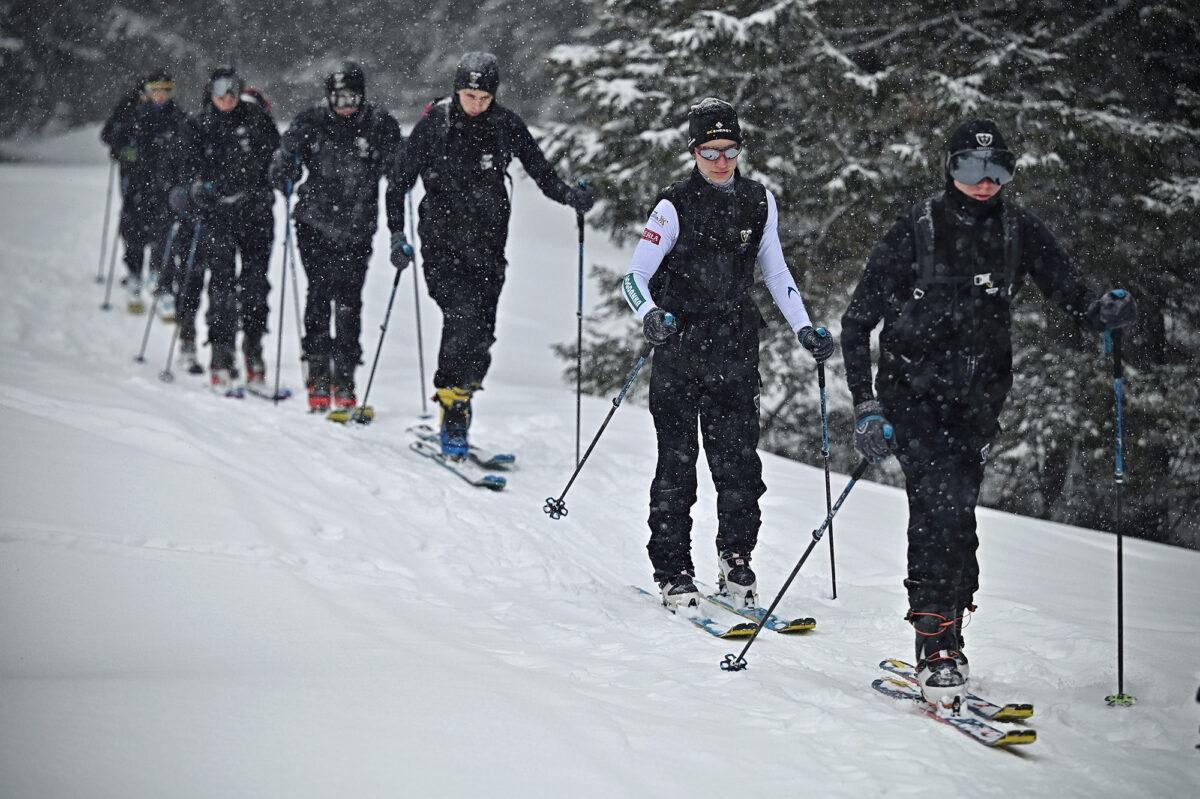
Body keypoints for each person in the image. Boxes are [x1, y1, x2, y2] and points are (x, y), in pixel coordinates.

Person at [840, 118, 1138, 711]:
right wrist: (867, 405)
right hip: (913, 394)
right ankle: (933, 645)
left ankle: (951, 622)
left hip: (978, 399)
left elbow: (1068, 290)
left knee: (960, 514)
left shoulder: (1015, 230)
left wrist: (1100, 311)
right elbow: (856, 322)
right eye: (972, 169)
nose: (985, 182)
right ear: (949, 168)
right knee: (936, 507)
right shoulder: (917, 230)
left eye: (998, 170)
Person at [621, 98, 835, 613]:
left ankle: (736, 560)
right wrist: (650, 315)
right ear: (694, 151)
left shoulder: (759, 201)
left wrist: (805, 329)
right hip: (680, 348)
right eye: (711, 150)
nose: (721, 160)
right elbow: (634, 277)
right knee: (678, 465)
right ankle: (673, 571)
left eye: (730, 149)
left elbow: (776, 271)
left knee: (739, 466)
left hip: (736, 349)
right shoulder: (672, 205)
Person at [387, 51, 594, 457]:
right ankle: (452, 409)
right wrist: (397, 234)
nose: (477, 104)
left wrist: (572, 197)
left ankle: (462, 398)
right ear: (456, 92)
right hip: (441, 242)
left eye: (484, 97)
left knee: (482, 332)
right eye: (469, 96)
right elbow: (398, 183)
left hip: (487, 245)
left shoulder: (505, 124)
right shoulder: (435, 124)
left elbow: (541, 172)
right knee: (461, 317)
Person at [270, 62, 404, 411]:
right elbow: (284, 161)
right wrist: (285, 166)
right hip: (314, 223)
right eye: (338, 97)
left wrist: (399, 166)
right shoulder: (311, 121)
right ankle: (317, 370)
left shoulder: (379, 124)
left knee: (348, 301)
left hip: (358, 227)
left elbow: (400, 170)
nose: (345, 104)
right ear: (328, 96)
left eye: (352, 97)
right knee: (319, 294)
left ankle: (345, 375)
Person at [169, 66, 280, 390]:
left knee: (256, 287)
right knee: (221, 289)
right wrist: (195, 189)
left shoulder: (257, 120)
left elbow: (276, 160)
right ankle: (221, 355)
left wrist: (277, 181)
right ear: (211, 93)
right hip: (217, 218)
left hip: (255, 215)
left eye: (232, 90)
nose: (226, 98)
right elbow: (182, 169)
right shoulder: (198, 124)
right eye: (220, 91)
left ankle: (254, 352)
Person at [99, 68, 188, 313]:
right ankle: (135, 274)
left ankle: (161, 279)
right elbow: (109, 136)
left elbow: (188, 145)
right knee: (134, 227)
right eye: (155, 90)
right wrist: (125, 149)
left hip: (165, 183)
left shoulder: (177, 116)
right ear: (146, 90)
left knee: (165, 228)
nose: (160, 96)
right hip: (136, 180)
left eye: (166, 91)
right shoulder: (131, 109)